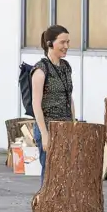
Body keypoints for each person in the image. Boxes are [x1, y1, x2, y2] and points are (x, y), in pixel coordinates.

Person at [27, 24, 73, 156]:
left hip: (66, 127)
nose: (66, 46)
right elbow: (36, 105)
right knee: (49, 172)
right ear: (50, 44)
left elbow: (69, 97)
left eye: (68, 42)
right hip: (48, 127)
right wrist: (44, 134)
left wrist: (73, 123)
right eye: (62, 42)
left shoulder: (66, 67)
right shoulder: (41, 70)